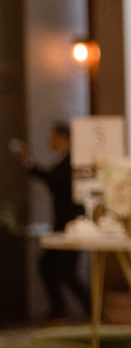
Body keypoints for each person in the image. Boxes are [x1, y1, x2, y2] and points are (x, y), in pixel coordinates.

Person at [13, 123, 87, 321]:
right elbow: (50, 178)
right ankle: (64, 309)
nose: (49, 141)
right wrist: (28, 162)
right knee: (51, 266)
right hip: (62, 224)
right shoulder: (63, 160)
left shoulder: (73, 161)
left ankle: (86, 308)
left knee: (64, 270)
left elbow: (54, 180)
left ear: (63, 138)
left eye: (53, 137)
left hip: (71, 225)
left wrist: (29, 163)